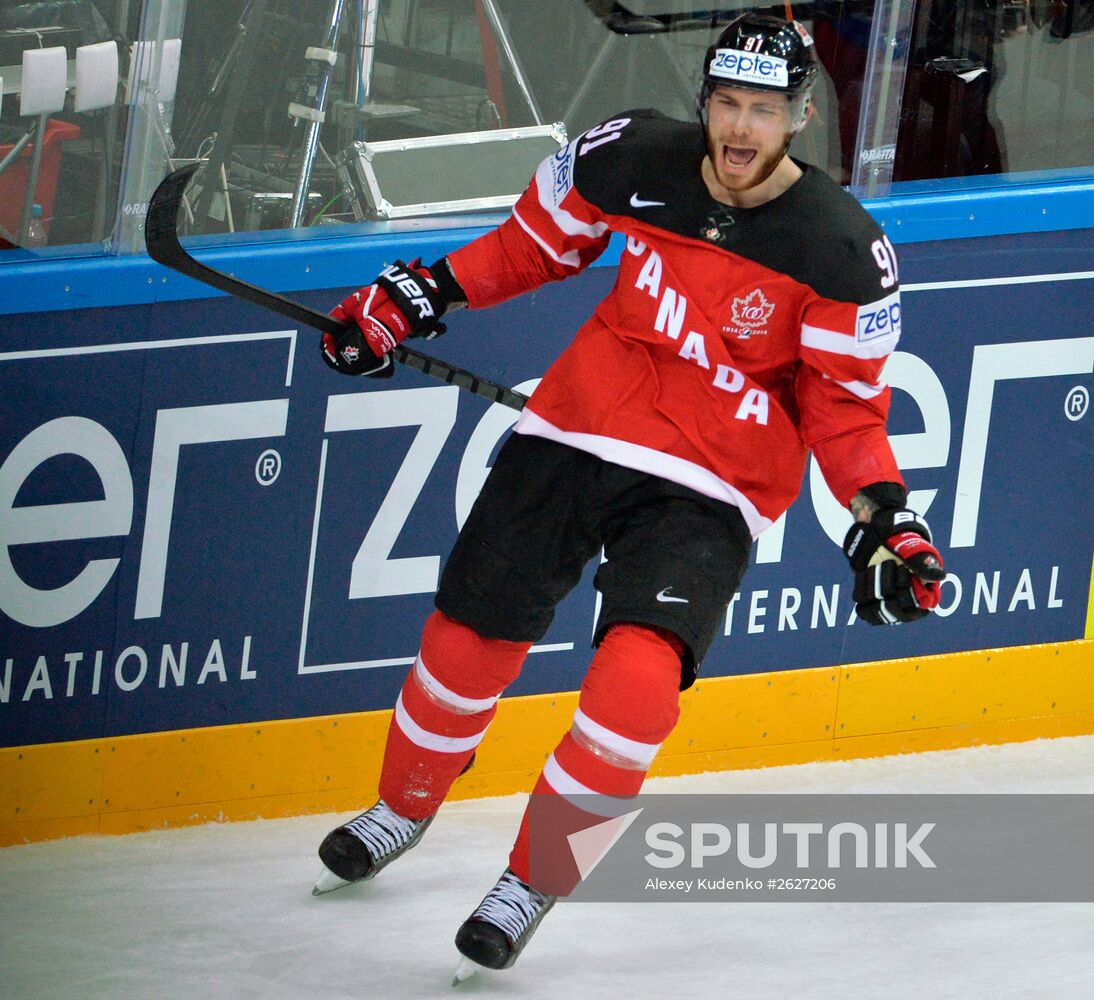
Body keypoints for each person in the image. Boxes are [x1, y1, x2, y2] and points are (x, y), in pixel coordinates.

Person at [314, 12, 946, 976]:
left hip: (712, 483)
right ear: (704, 103)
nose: (739, 128)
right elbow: (528, 249)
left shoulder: (841, 250)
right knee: (465, 639)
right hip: (578, 428)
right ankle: (400, 809)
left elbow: (844, 412)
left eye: (763, 110)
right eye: (726, 104)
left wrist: (887, 518)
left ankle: (534, 878)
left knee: (638, 688)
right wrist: (413, 298)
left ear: (801, 118)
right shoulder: (629, 157)